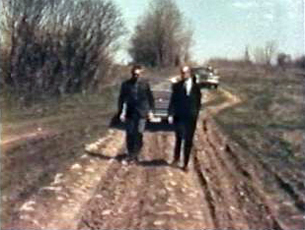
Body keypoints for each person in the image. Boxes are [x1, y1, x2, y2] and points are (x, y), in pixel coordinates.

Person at [118, 65, 154, 163]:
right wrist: (121, 112)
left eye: (138, 74)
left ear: (141, 74)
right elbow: (122, 99)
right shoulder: (126, 85)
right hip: (130, 112)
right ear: (131, 74)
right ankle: (130, 154)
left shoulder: (145, 84)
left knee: (139, 133)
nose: (136, 76)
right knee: (130, 134)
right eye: (134, 74)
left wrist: (151, 111)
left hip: (142, 112)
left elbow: (150, 98)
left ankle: (136, 154)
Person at [168, 66, 202, 172]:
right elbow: (173, 100)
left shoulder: (196, 87)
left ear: (190, 73)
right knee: (179, 137)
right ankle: (176, 158)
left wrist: (196, 113)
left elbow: (198, 102)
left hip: (191, 117)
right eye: (182, 73)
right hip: (179, 116)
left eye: (185, 73)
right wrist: (170, 114)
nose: (183, 74)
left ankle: (185, 163)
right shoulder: (177, 86)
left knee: (188, 140)